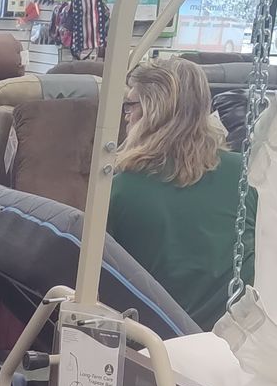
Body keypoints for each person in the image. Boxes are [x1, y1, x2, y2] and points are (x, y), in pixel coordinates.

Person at [107, 58, 257, 330]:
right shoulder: (243, 174)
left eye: (131, 104)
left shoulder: (122, 188)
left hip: (153, 344)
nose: (126, 114)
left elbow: (96, 280)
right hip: (235, 338)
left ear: (153, 110)